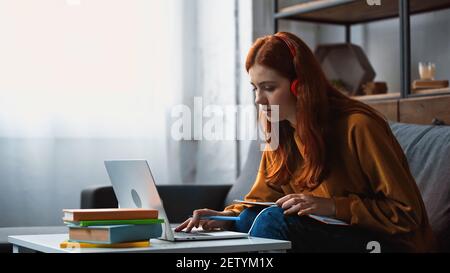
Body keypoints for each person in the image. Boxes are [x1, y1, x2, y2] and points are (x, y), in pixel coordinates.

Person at [175, 31, 435, 252]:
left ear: (300, 87)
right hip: (327, 232)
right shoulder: (275, 129)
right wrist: (227, 217)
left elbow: (406, 213)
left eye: (268, 87)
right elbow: (264, 196)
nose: (258, 100)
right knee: (250, 218)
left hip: (389, 243)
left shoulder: (359, 126)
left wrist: (333, 206)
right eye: (255, 88)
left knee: (273, 222)